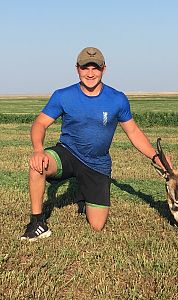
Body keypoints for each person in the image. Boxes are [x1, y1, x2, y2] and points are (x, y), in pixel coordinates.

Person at [21, 46, 168, 241]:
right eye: (85, 68)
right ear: (77, 69)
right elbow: (40, 123)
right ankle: (37, 223)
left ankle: (84, 190)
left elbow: (133, 131)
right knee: (37, 165)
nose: (90, 74)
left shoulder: (117, 99)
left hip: (97, 164)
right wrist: (38, 150)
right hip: (68, 153)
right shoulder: (63, 95)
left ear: (104, 69)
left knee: (97, 225)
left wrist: (156, 157)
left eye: (95, 68)